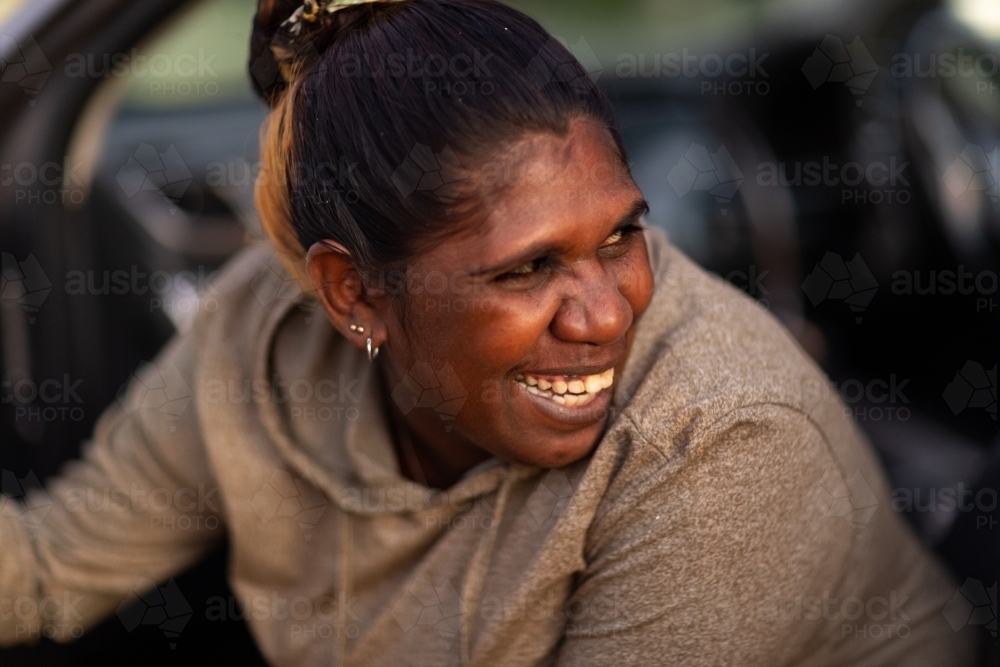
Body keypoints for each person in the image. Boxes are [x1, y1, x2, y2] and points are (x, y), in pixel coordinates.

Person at [0, 0, 975, 664]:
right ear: (352, 293)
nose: (606, 311)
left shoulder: (720, 446)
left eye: (620, 235)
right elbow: (48, 567)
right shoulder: (261, 327)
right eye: (526, 268)